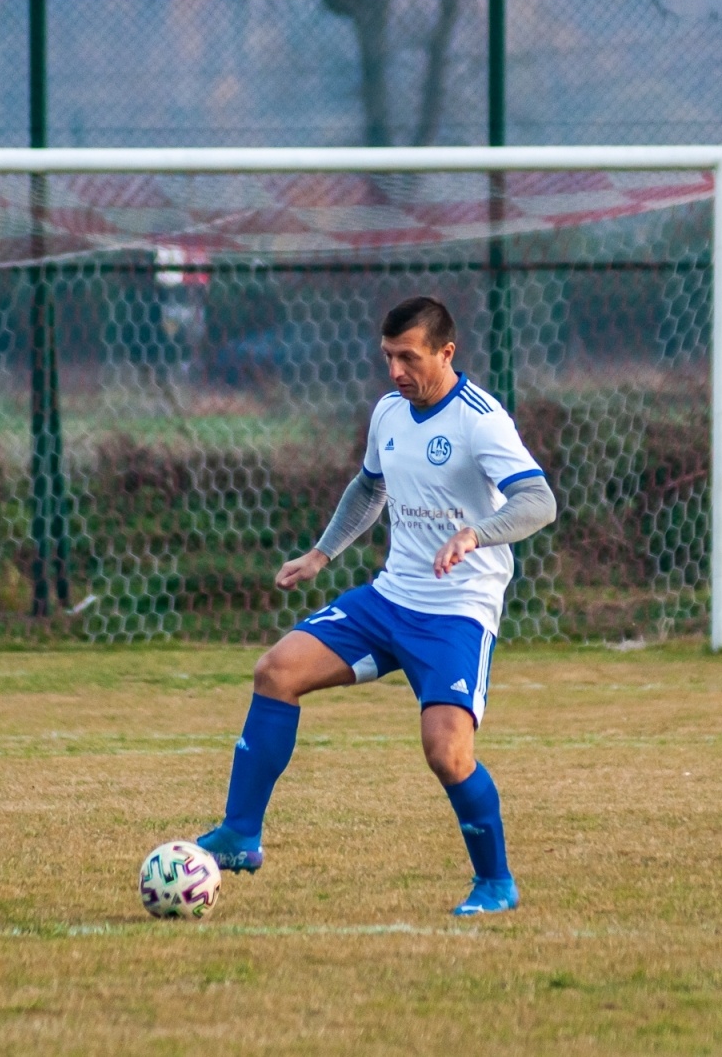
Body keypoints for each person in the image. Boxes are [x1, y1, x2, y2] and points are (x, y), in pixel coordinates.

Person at [195, 296, 556, 915]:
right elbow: (369, 488)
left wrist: (475, 534)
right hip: (389, 599)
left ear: (446, 353)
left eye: (408, 358)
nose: (395, 371)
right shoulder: (389, 411)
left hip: (456, 612)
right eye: (388, 356)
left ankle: (496, 883)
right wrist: (321, 554)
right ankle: (240, 835)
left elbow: (538, 501)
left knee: (446, 753)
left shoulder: (480, 420)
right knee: (276, 672)